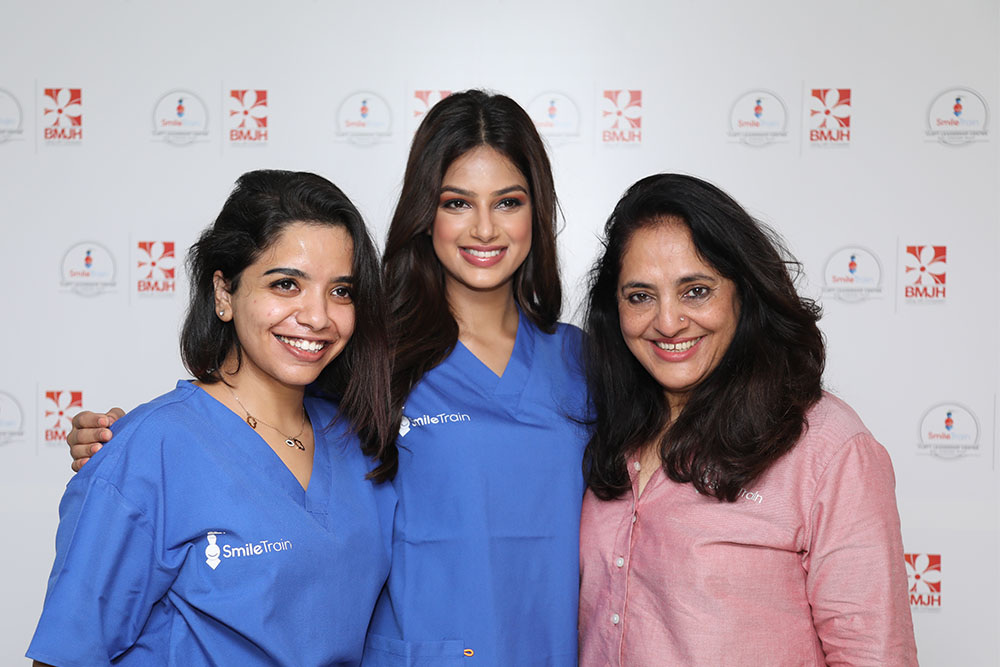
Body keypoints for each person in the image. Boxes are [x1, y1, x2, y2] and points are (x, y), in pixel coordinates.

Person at [66, 91, 589, 666]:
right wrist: (124, 447)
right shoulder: (366, 355)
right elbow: (239, 418)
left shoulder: (586, 364)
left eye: (509, 201)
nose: (485, 228)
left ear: (536, 209)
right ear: (425, 211)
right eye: (457, 202)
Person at [30, 170, 395, 666]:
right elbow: (66, 655)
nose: (317, 317)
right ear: (224, 293)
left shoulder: (359, 441)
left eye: (342, 291)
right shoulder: (151, 448)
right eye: (286, 284)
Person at [578, 173, 917, 665]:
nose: (668, 321)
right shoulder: (604, 427)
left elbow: (875, 655)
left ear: (743, 293)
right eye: (640, 296)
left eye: (695, 291)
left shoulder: (826, 448)